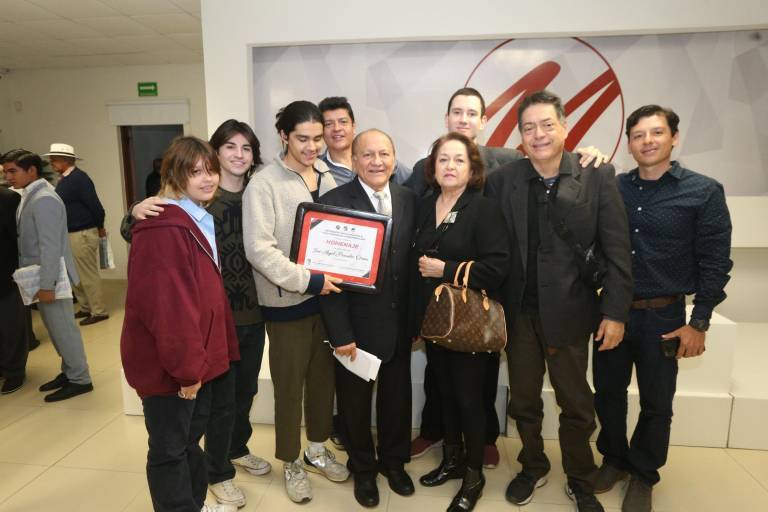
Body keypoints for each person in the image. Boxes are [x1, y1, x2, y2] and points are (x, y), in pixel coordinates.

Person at [408, 87, 608, 469]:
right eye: (457, 113)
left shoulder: (504, 164)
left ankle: (485, 446)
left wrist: (590, 154)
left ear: (484, 122)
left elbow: (549, 157)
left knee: (482, 381)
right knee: (444, 380)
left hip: (489, 297)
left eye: (472, 114)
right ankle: (446, 443)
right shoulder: (425, 173)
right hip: (438, 302)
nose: (463, 120)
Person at [486, 90, 633, 512]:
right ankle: (532, 466)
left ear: (565, 127)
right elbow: (463, 158)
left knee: (577, 403)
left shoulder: (596, 174)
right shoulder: (503, 179)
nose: (538, 135)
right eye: (529, 127)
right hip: (518, 313)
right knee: (524, 400)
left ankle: (580, 476)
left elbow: (618, 249)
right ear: (519, 135)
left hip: (571, 310)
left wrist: (616, 312)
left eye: (547, 125)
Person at [121, 120, 272, 509]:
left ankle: (195, 502)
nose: (207, 179)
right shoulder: (163, 226)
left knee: (188, 440)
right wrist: (187, 371)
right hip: (174, 364)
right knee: (170, 449)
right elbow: (169, 309)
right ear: (174, 175)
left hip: (197, 358)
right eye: (196, 172)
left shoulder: (194, 218)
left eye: (210, 171)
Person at [592, 105, 732, 512]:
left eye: (656, 133)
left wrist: (699, 321)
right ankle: (614, 459)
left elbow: (715, 261)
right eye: (638, 135)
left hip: (665, 316)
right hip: (612, 311)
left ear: (674, 138)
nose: (647, 141)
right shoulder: (613, 188)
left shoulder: (703, 191)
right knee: (608, 394)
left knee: (657, 401)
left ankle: (644, 473)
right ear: (629, 144)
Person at [242, 100, 349, 503]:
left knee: (324, 383)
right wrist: (309, 280)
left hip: (329, 302)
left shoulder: (330, 177)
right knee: (289, 387)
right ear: (284, 136)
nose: (312, 147)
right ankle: (290, 460)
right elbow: (260, 250)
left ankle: (316, 449)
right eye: (302, 139)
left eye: (318, 139)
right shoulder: (264, 183)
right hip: (288, 303)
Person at [410, 132, 510, 512]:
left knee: (469, 400)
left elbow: (498, 267)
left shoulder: (484, 209)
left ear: (472, 169)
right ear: (432, 168)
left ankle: (473, 476)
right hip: (434, 323)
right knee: (445, 395)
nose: (450, 166)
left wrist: (446, 269)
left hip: (467, 324)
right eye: (443, 160)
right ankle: (451, 461)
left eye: (458, 160)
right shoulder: (424, 206)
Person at [318, 129, 418, 507]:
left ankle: (394, 463)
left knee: (396, 401)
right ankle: (363, 469)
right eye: (368, 155)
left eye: (384, 154)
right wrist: (340, 333)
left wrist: (415, 323)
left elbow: (408, 268)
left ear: (394, 158)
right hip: (354, 330)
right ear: (354, 160)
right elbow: (326, 278)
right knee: (355, 406)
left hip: (399, 328)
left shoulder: (409, 200)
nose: (377, 161)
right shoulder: (335, 202)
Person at [3, 149, 94, 402]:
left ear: (31, 170)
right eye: (5, 171)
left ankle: (80, 379)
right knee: (56, 330)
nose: (8, 176)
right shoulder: (31, 195)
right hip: (42, 276)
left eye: (13, 171)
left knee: (63, 329)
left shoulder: (43, 199)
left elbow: (50, 246)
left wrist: (48, 284)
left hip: (51, 277)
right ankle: (69, 371)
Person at [44, 143, 108, 325]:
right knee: (76, 274)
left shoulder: (79, 178)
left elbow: (95, 206)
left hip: (82, 233)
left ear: (64, 160)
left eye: (53, 159)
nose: (51, 163)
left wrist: (100, 226)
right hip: (71, 233)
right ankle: (86, 307)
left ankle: (99, 310)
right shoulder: (65, 179)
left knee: (87, 274)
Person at [319, 96, 412, 185]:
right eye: (328, 124)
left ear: (353, 126)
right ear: (320, 130)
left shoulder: (378, 159)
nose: (337, 128)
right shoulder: (317, 169)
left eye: (343, 122)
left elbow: (413, 183)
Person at [0, 175, 29, 395]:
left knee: (11, 325)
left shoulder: (8, 198)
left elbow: (16, 237)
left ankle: (14, 371)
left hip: (5, 271)